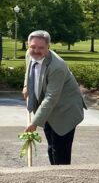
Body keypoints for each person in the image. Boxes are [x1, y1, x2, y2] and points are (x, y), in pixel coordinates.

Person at [22, 30, 85, 165]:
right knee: (51, 147)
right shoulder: (29, 54)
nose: (36, 51)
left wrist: (34, 122)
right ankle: (53, 176)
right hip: (48, 110)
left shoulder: (57, 66)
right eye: (33, 47)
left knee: (60, 151)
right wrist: (26, 86)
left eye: (41, 48)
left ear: (48, 47)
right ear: (28, 45)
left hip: (65, 111)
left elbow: (51, 97)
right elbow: (29, 70)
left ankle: (63, 180)